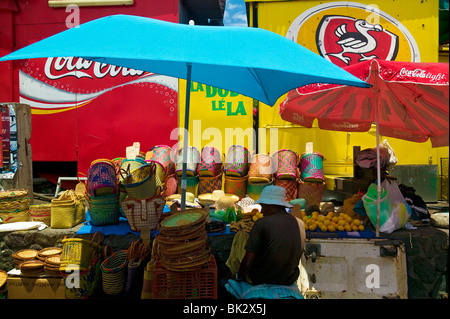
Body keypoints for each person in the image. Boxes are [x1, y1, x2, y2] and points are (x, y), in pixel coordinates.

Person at [235, 185, 304, 286]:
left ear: (271, 205)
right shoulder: (300, 223)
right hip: (289, 278)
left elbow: (248, 261)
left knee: (239, 240)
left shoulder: (262, 223)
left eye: (263, 206)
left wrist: (239, 277)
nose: (262, 211)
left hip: (263, 278)